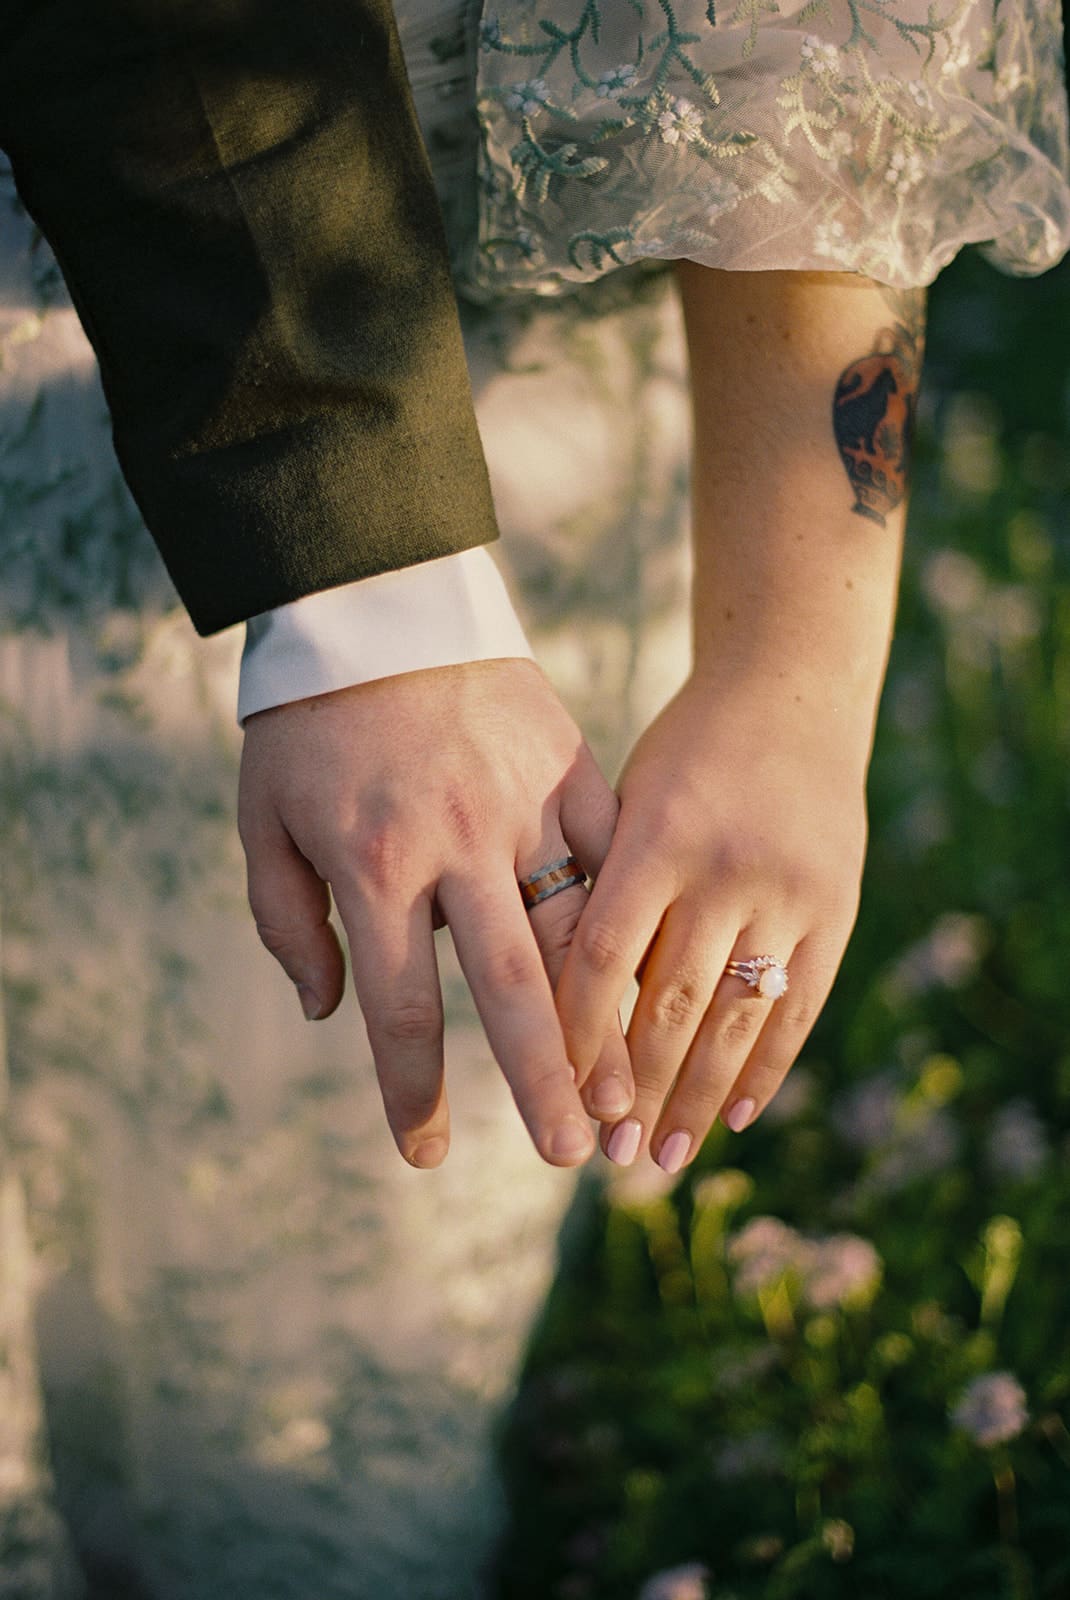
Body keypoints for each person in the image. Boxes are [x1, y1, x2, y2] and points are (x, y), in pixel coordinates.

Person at [1, 0, 1067, 1594]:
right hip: (103, 302)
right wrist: (369, 584)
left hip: (542, 437)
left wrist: (792, 669)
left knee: (318, 1325)